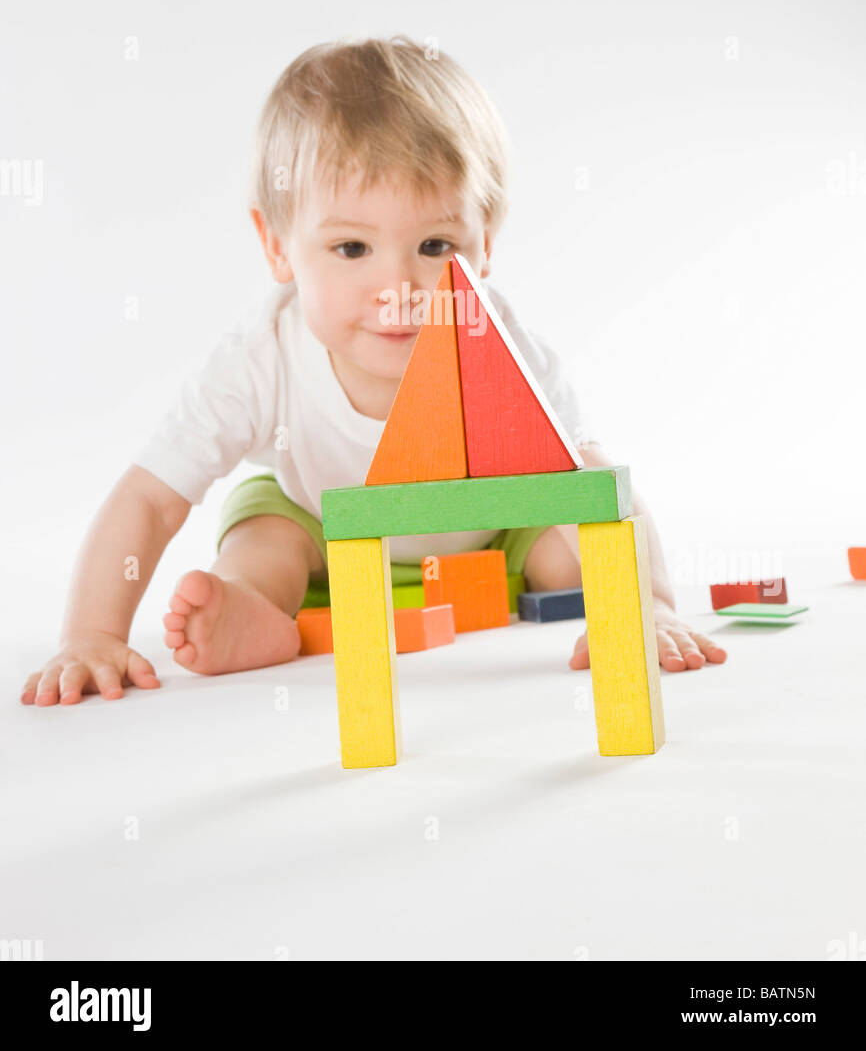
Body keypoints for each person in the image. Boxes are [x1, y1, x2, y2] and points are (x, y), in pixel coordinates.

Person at [21, 36, 726, 707]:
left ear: (486, 245)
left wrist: (650, 609)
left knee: (565, 550)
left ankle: (605, 597)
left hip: (481, 541)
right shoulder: (262, 354)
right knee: (265, 537)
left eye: (434, 244)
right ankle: (257, 612)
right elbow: (150, 497)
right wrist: (91, 635)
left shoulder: (494, 334)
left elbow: (596, 485)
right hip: (323, 533)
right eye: (352, 248)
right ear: (278, 246)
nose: (399, 285)